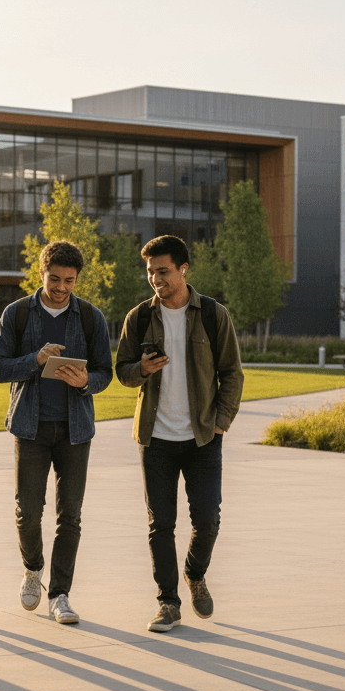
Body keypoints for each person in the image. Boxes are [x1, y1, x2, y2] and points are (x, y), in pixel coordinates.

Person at [115, 234, 243, 633]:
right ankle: (168, 603)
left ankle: (195, 573)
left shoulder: (212, 315)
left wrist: (221, 421)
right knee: (161, 524)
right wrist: (142, 370)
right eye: (151, 271)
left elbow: (232, 374)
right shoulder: (138, 318)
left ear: (184, 269)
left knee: (207, 521)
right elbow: (122, 370)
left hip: (203, 437)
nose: (156, 279)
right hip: (155, 439)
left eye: (163, 271)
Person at [0, 240, 112, 624]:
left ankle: (60, 594)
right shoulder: (17, 314)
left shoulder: (92, 318)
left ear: (77, 280)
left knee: (70, 515)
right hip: (30, 427)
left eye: (69, 281)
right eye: (54, 279)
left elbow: (105, 373)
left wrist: (84, 381)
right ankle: (33, 568)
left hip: (76, 431)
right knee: (27, 511)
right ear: (41, 273)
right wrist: (35, 359)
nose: (61, 287)